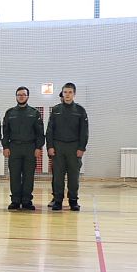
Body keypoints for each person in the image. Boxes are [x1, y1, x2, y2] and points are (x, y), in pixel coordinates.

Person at [46, 82, 89, 211]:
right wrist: (50, 146)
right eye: (65, 92)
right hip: (58, 147)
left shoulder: (80, 110)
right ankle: (58, 201)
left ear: (74, 94)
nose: (67, 95)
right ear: (62, 93)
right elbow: (50, 130)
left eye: (70, 92)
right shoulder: (56, 110)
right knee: (58, 176)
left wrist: (81, 148)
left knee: (73, 177)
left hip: (74, 147)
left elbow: (84, 131)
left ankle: (73, 201)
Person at [2, 86, 45, 210]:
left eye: (23, 94)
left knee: (28, 175)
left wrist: (38, 147)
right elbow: (5, 132)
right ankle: (15, 200)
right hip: (14, 147)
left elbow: (40, 132)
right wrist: (5, 146)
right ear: (16, 96)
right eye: (19, 94)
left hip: (30, 148)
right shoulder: (10, 113)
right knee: (14, 175)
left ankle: (26, 201)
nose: (21, 96)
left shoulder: (34, 113)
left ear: (28, 96)